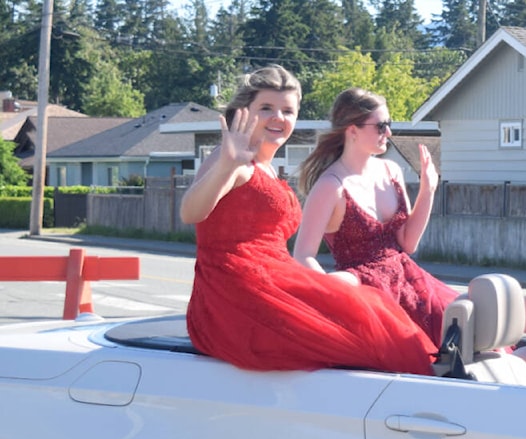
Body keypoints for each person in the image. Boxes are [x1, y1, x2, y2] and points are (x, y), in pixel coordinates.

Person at [181, 66, 435, 375]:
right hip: (233, 292)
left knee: (370, 311)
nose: (279, 117)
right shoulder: (232, 159)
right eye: (266, 108)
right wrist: (225, 166)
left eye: (288, 110)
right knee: (355, 336)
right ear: (244, 112)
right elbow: (190, 213)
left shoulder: (268, 168)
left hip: (276, 276)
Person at [293, 87, 458, 348]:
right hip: (365, 292)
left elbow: (407, 243)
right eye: (381, 126)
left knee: (464, 328)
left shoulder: (390, 170)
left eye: (389, 125)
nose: (389, 133)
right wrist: (333, 295)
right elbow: (302, 256)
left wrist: (428, 189)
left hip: (408, 283)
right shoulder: (330, 185)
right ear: (352, 129)